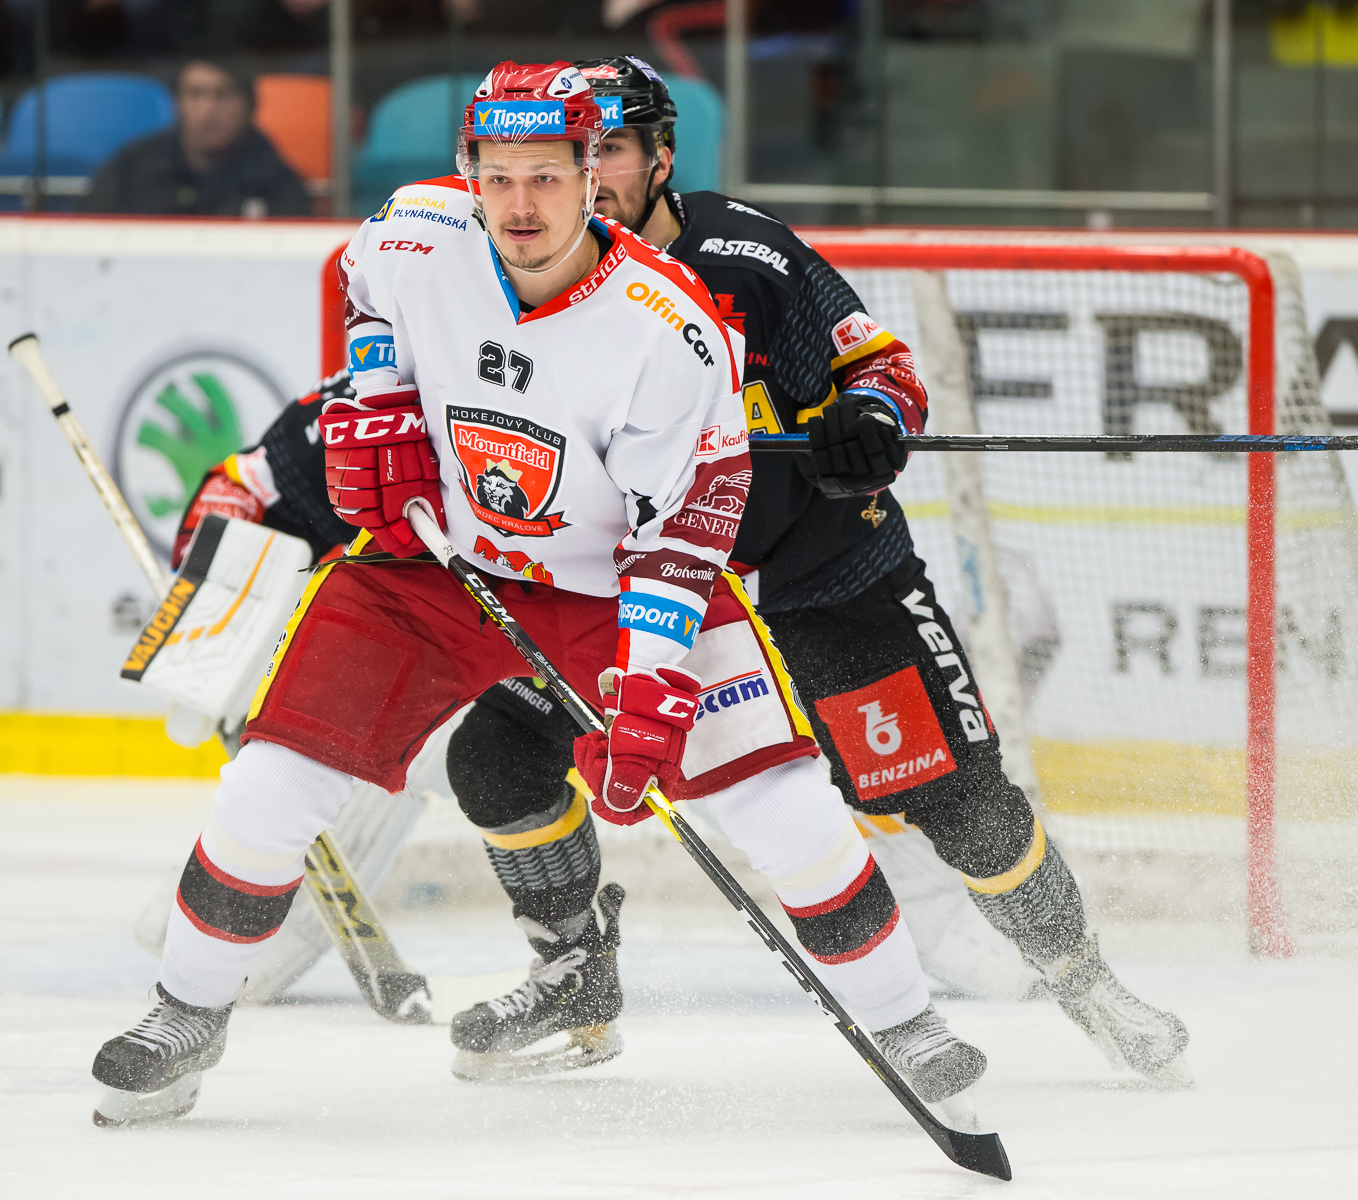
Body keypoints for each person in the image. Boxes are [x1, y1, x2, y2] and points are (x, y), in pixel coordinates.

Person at [89, 59, 985, 1128]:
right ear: (467, 172)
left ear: (591, 177)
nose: (520, 205)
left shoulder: (670, 330)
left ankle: (905, 1022)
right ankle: (185, 1016)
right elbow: (364, 284)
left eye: (548, 177)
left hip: (617, 585)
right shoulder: (417, 232)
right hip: (435, 570)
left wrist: (649, 684)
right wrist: (380, 396)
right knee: (268, 788)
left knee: (783, 805)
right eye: (499, 177)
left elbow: (680, 532)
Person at [437, 56, 1191, 1086]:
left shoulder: (748, 257)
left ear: (661, 159)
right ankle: (574, 974)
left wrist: (866, 421)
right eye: (577, 151)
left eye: (611, 148)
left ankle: (1083, 979)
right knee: (494, 757)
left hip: (819, 580)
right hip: (649, 600)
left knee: (960, 805)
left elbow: (880, 368)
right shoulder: (503, 280)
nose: (589, 172)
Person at [81, 56, 311, 219]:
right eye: (195, 94)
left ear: (249, 106)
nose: (207, 110)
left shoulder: (273, 175)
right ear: (176, 103)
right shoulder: (133, 165)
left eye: (222, 95)